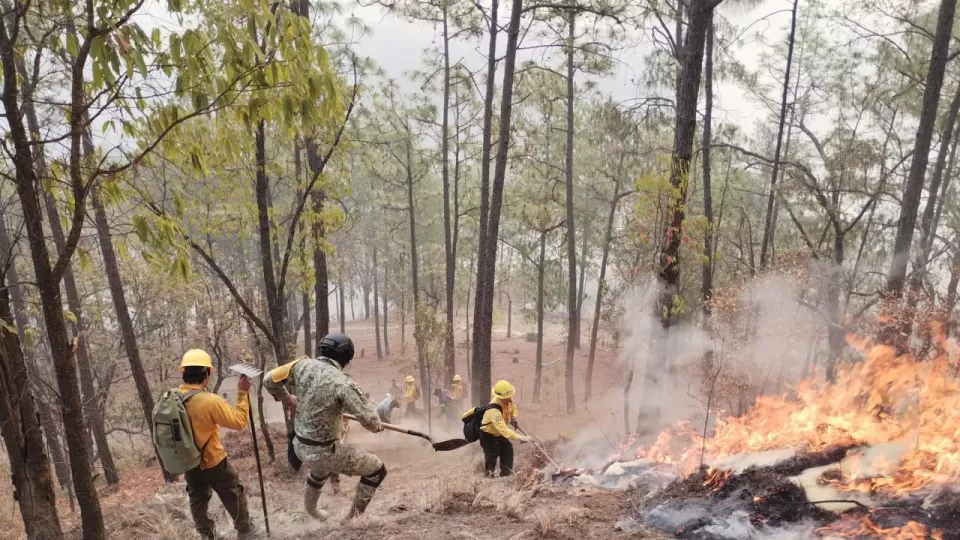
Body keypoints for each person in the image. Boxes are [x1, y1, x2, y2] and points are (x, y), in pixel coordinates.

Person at [264, 333, 385, 521]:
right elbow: (372, 423)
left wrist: (287, 398)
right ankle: (352, 520)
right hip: (325, 452)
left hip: (300, 446)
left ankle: (313, 512)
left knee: (319, 472)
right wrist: (378, 425)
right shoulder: (343, 382)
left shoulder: (300, 365)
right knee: (377, 470)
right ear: (345, 358)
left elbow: (269, 379)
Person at [178, 349, 259, 539]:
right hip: (213, 460)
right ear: (206, 374)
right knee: (233, 492)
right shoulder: (209, 401)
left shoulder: (173, 398)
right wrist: (242, 393)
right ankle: (246, 531)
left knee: (197, 499)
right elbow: (239, 422)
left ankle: (207, 535)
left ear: (184, 373)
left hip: (189, 461)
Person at [476, 380, 532, 478]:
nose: (509, 399)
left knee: (507, 450)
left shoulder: (507, 400)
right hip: (488, 434)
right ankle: (489, 477)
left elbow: (513, 408)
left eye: (509, 396)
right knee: (492, 454)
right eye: (506, 397)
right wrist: (520, 437)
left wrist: (513, 417)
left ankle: (506, 474)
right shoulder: (493, 410)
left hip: (498, 433)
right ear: (500, 397)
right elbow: (504, 430)